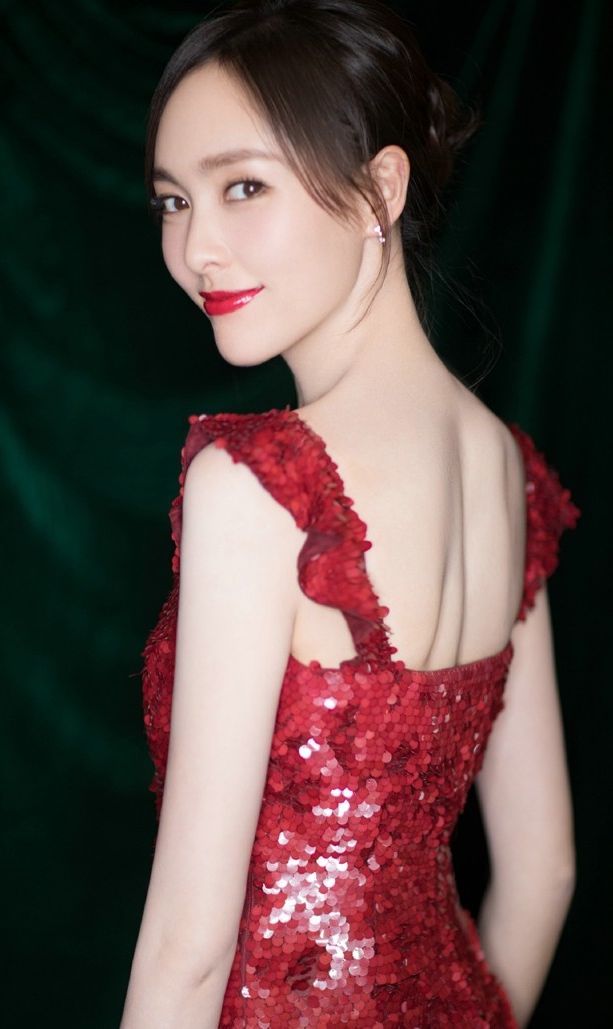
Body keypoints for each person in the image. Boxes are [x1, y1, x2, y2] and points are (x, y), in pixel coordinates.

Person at [120, 2, 578, 1026]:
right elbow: (543, 870)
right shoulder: (509, 472)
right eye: (171, 201)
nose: (197, 247)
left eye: (242, 186)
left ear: (380, 188)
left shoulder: (259, 483)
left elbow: (190, 950)